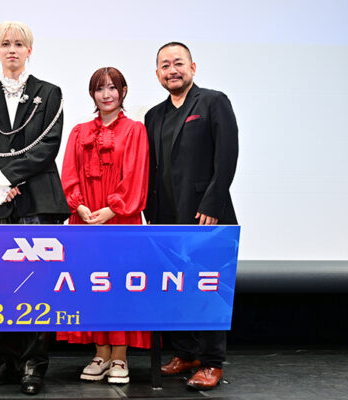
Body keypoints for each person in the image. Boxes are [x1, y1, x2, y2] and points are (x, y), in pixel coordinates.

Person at [0, 21, 70, 395]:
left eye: (19, 44)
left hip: (37, 201)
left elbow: (48, 146)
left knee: (35, 285)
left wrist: (7, 177)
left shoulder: (50, 93)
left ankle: (32, 365)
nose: (12, 49)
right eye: (6, 44)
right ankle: (2, 362)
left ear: (29, 50)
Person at [143, 42, 239, 390]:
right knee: (176, 288)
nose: (172, 70)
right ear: (157, 73)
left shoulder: (213, 102)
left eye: (178, 63)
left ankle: (212, 362)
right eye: (165, 65)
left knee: (209, 288)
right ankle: (186, 353)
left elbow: (227, 156)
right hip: (165, 218)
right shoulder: (153, 115)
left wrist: (213, 203)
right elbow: (153, 168)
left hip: (206, 216)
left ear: (192, 68)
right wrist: (149, 213)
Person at [57, 67, 150, 384]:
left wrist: (112, 209)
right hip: (85, 219)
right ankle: (101, 353)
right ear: (92, 94)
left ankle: (120, 355)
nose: (106, 94)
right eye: (100, 89)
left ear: (123, 91)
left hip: (121, 219)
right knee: (91, 284)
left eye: (112, 88)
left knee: (119, 285)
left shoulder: (135, 130)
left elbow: (136, 177)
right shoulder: (79, 131)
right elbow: (68, 173)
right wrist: (79, 206)